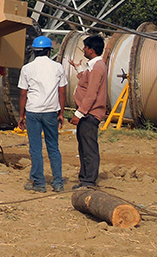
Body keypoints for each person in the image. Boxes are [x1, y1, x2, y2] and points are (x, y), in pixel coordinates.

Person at [18, 35, 67, 193]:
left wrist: (21, 115)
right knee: (53, 147)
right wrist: (61, 112)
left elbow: (23, 95)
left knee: (35, 149)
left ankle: (39, 183)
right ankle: (58, 182)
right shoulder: (58, 67)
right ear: (48, 51)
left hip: (33, 111)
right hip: (51, 111)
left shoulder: (27, 69)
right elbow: (62, 92)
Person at [68, 34, 108, 189]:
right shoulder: (93, 66)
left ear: (91, 50)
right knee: (83, 147)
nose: (83, 49)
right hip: (88, 113)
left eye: (85, 47)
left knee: (89, 148)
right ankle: (85, 179)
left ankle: (89, 181)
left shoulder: (97, 67)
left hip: (90, 114)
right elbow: (86, 81)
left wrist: (79, 113)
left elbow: (92, 93)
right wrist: (78, 68)